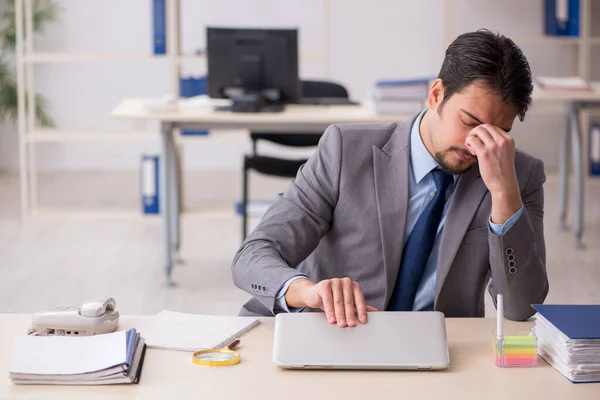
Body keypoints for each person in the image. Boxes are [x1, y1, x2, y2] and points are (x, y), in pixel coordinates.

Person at [231, 29, 548, 327]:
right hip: (336, 334)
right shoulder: (345, 150)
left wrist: (505, 195)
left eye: (497, 132)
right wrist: (306, 291)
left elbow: (523, 307)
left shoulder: (520, 175)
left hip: (437, 351)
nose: (475, 144)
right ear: (436, 95)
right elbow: (254, 254)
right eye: (469, 121)